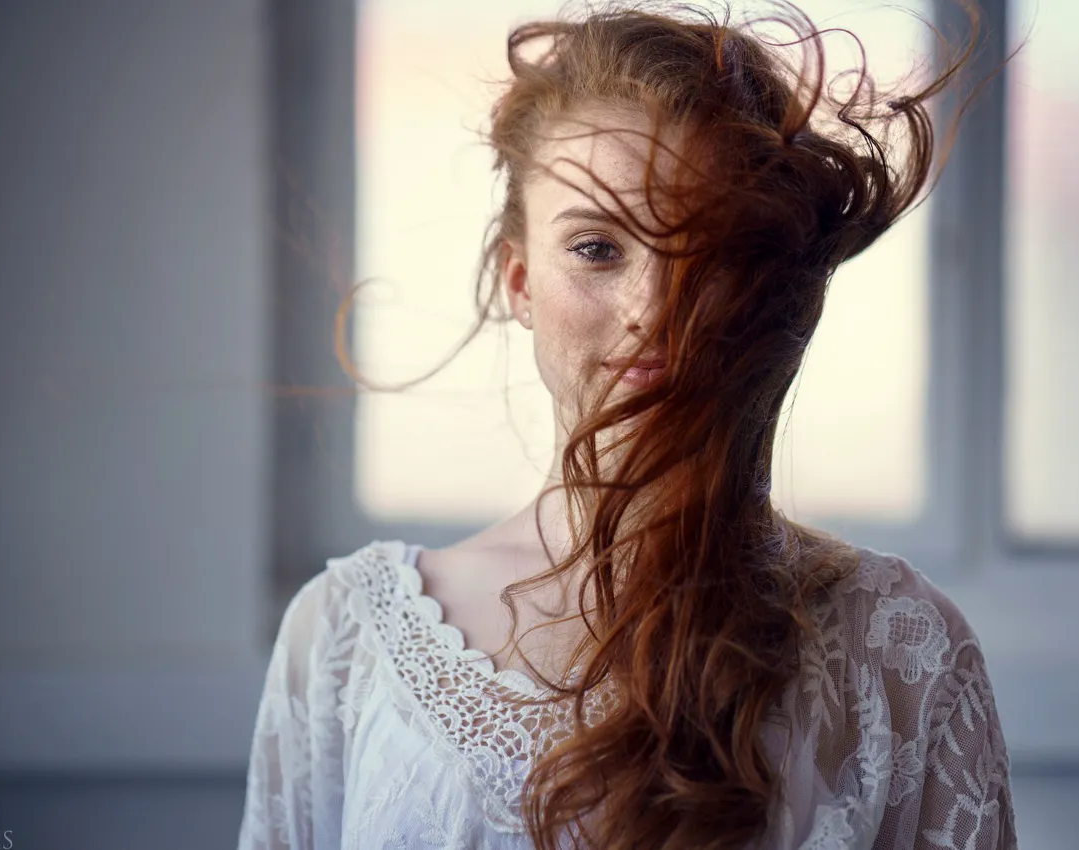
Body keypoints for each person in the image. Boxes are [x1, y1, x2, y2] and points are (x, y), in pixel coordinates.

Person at [237, 1, 1017, 848]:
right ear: (521, 280)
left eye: (709, 253)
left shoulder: (900, 653)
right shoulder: (349, 640)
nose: (654, 310)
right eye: (598, 249)